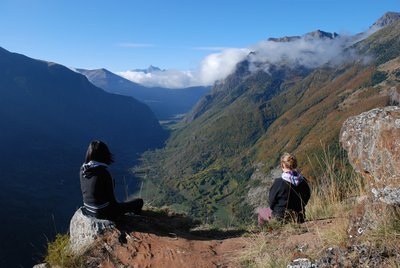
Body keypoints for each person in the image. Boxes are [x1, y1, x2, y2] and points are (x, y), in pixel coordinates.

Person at [80, 140, 143, 220]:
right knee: (139, 202)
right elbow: (112, 202)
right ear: (105, 155)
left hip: (88, 209)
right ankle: (136, 221)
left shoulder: (82, 170)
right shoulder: (104, 172)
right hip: (103, 212)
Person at [258, 153, 311, 225]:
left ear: (283, 165)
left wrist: (278, 209)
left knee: (261, 213)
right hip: (299, 217)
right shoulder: (303, 181)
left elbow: (271, 202)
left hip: (280, 218)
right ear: (295, 164)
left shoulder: (279, 182)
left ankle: (265, 232)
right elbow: (307, 196)